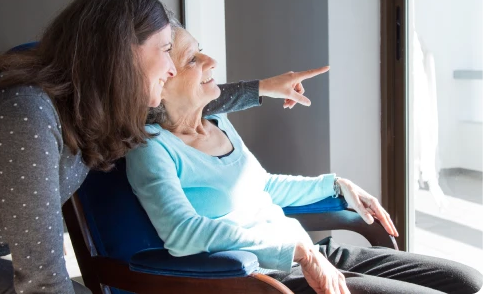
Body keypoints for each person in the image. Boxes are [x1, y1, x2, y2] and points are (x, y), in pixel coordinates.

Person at [0, 0, 324, 294]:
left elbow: (182, 99)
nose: (172, 70)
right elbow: (42, 278)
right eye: (164, 50)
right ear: (122, 54)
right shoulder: (26, 115)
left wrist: (262, 89)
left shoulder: (95, 108)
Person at [126, 25, 483, 294]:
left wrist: (335, 184)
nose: (211, 61)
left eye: (201, 51)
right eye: (193, 59)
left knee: (468, 282)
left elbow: (262, 186)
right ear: (160, 82)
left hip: (309, 252)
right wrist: (299, 253)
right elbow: (182, 234)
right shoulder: (152, 149)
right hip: (270, 276)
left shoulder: (217, 122)